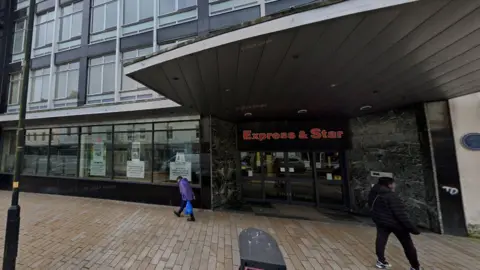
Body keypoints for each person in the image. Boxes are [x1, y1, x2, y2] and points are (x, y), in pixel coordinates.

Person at [368, 177, 421, 270]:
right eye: (393, 183)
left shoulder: (374, 193)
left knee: (381, 240)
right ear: (389, 185)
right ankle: (415, 267)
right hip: (397, 225)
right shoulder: (391, 196)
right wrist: (412, 229)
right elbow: (400, 214)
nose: (395, 185)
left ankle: (381, 261)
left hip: (381, 222)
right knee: (408, 245)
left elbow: (371, 206)